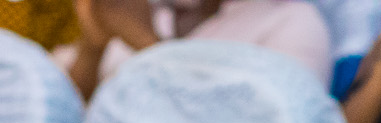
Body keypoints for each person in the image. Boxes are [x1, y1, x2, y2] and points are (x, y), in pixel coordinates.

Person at [61, 0, 333, 99]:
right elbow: (69, 113)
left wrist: (148, 44)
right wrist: (93, 43)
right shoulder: (155, 9)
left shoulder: (294, 23)